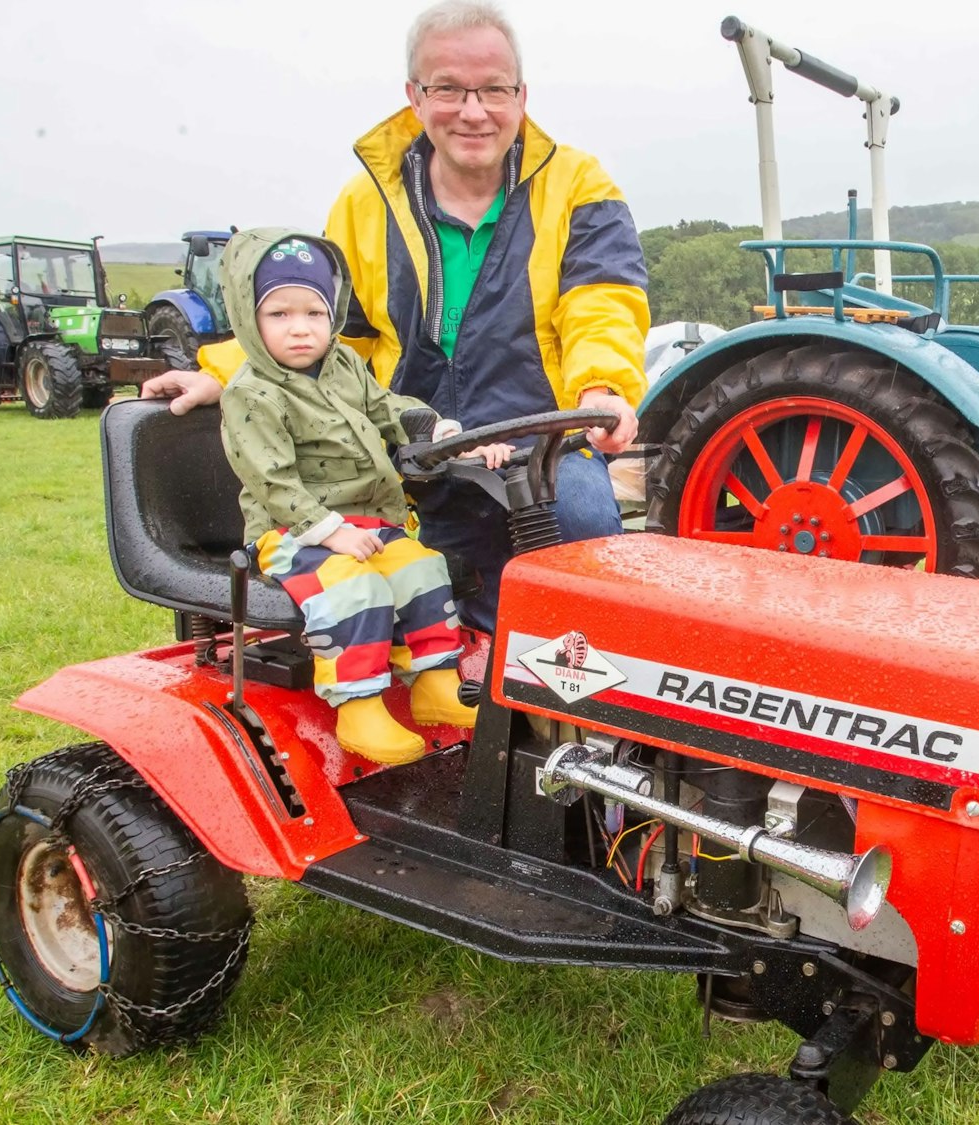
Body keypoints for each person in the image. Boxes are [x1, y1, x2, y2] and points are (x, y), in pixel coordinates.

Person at [144, 0, 649, 632]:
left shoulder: (579, 183)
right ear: (415, 95)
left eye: (493, 89)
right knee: (428, 608)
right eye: (449, 89)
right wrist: (223, 373)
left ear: (522, 94)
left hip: (543, 443)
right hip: (421, 448)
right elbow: (328, 330)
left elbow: (601, 299)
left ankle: (583, 712)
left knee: (584, 559)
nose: (474, 110)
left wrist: (601, 390)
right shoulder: (364, 204)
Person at [218, 228, 508, 765]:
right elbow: (272, 482)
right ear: (248, 319)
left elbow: (388, 408)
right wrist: (331, 532)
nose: (300, 330)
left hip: (367, 522)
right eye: (279, 315)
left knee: (423, 568)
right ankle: (359, 707)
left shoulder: (345, 365)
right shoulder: (250, 394)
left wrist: (438, 430)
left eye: (314, 314)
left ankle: (435, 685)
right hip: (291, 533)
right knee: (357, 587)